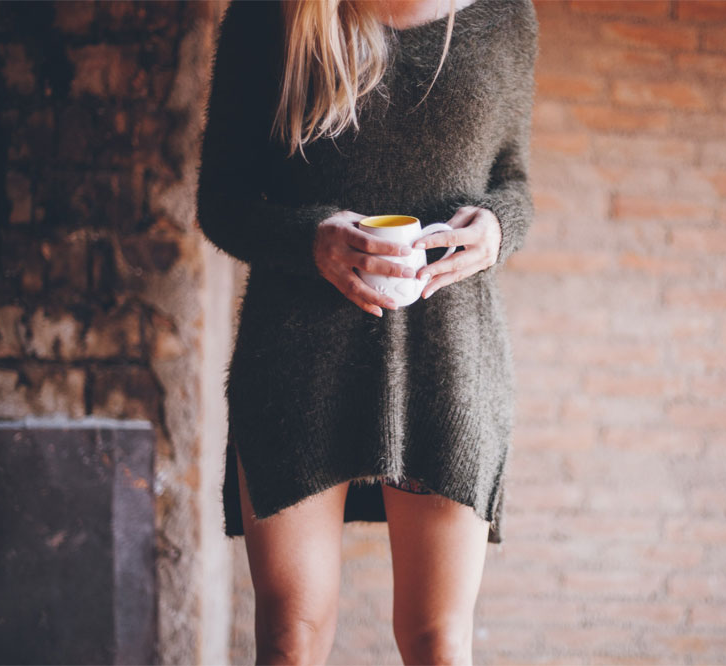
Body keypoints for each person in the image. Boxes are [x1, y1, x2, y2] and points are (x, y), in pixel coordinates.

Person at [195, 0, 537, 663]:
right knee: (292, 637)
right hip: (294, 360)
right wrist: (310, 240)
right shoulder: (271, 15)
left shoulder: (505, 16)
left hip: (450, 362)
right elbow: (222, 200)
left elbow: (514, 183)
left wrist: (496, 229)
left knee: (437, 639)